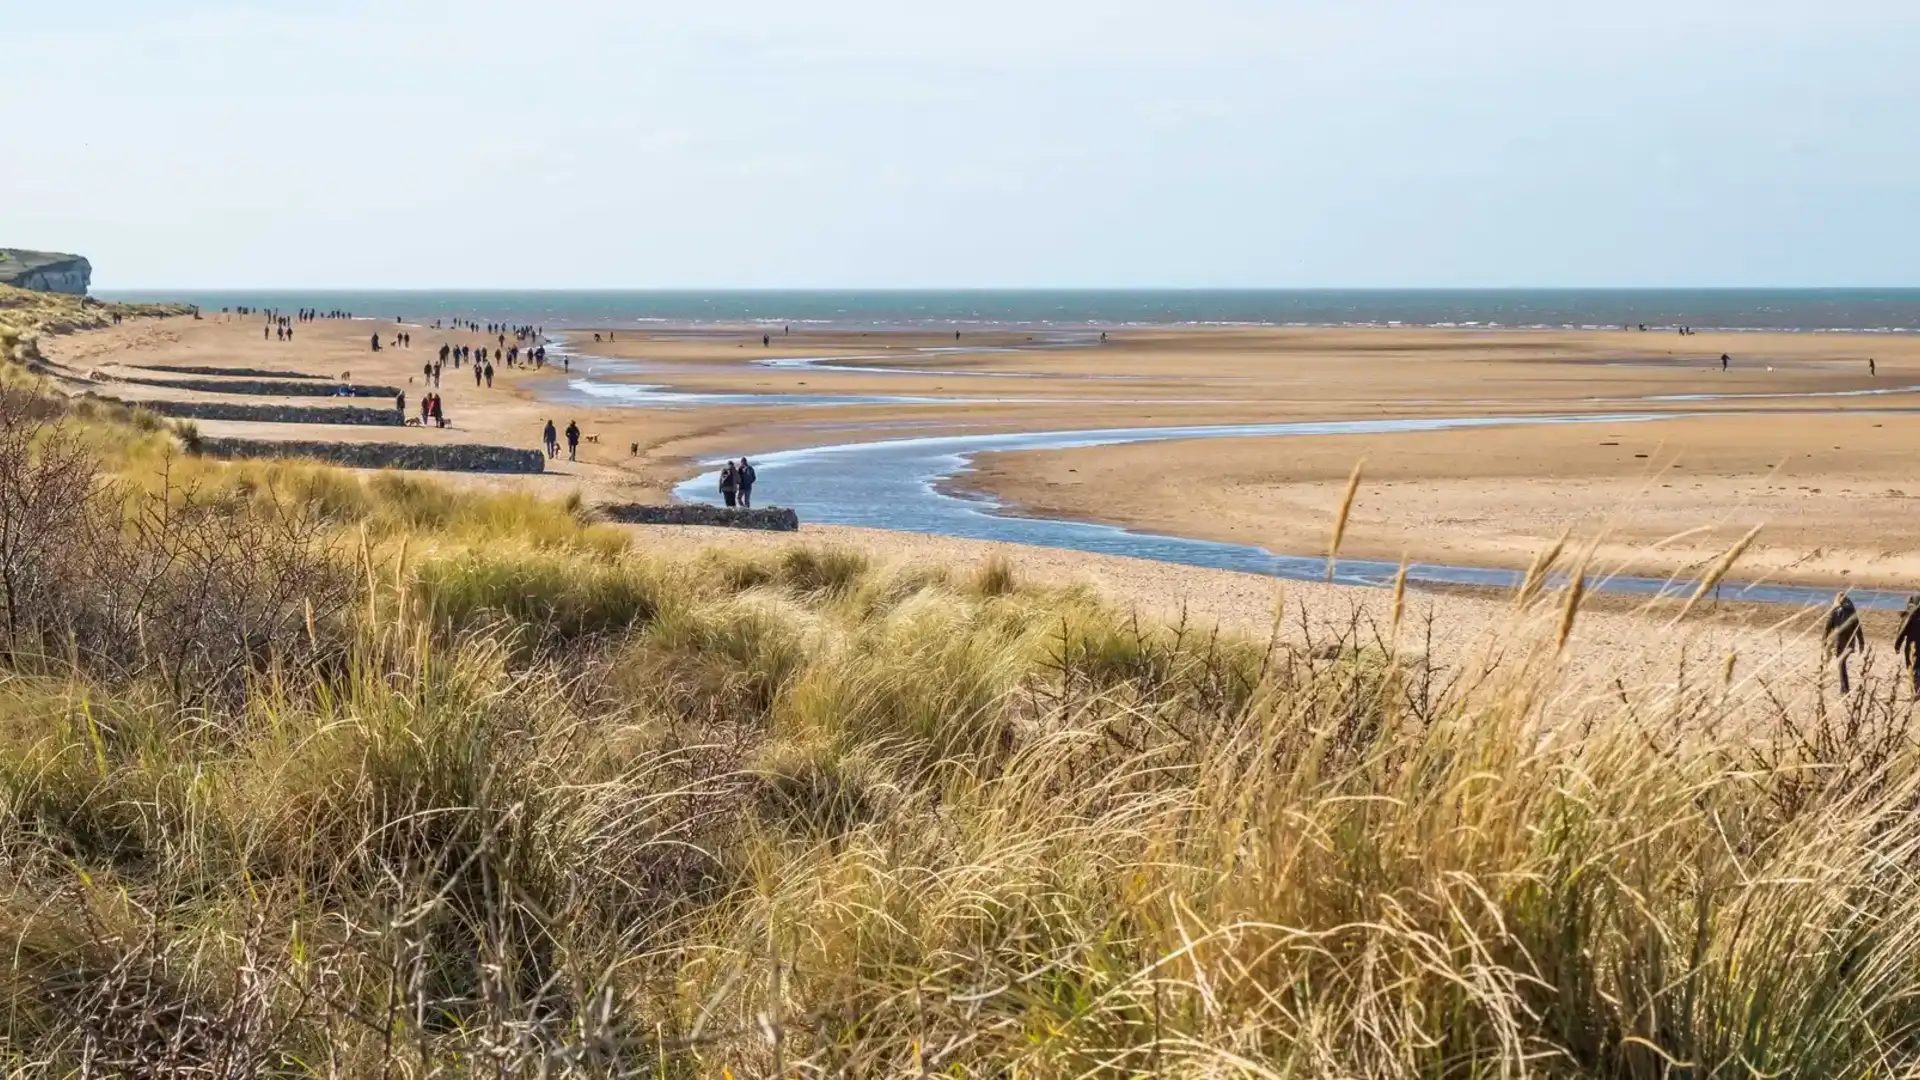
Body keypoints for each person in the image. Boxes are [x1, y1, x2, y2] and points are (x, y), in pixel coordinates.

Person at [1825, 592, 1864, 694]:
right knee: (1842, 663)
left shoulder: (1835, 611)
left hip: (1839, 642)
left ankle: (1844, 688)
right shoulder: (1852, 612)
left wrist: (1824, 640)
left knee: (1841, 663)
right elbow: (1858, 629)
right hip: (1850, 642)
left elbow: (1828, 627)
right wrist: (1861, 643)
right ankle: (1844, 688)